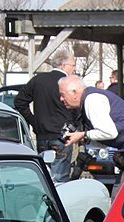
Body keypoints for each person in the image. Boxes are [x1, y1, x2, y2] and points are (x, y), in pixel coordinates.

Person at [59, 75, 124, 195]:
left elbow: (109, 132)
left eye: (62, 94)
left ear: (74, 92)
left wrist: (84, 134)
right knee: (122, 195)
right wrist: (83, 137)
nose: (61, 99)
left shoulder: (92, 100)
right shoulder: (90, 98)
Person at [15, 51, 79, 183]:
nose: (75, 68)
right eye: (73, 65)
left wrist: (34, 122)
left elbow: (19, 102)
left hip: (42, 136)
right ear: (63, 65)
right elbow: (77, 108)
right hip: (62, 136)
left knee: (44, 178)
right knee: (60, 179)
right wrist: (74, 126)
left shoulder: (38, 80)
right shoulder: (68, 83)